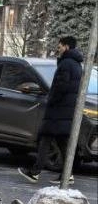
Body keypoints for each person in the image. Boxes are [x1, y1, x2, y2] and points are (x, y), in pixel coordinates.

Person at [18, 36, 83, 184]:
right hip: (66, 109)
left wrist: (51, 101)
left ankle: (35, 172)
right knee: (61, 142)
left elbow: (61, 86)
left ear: (66, 47)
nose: (57, 48)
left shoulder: (66, 64)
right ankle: (68, 174)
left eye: (59, 46)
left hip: (58, 109)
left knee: (45, 138)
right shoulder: (76, 64)